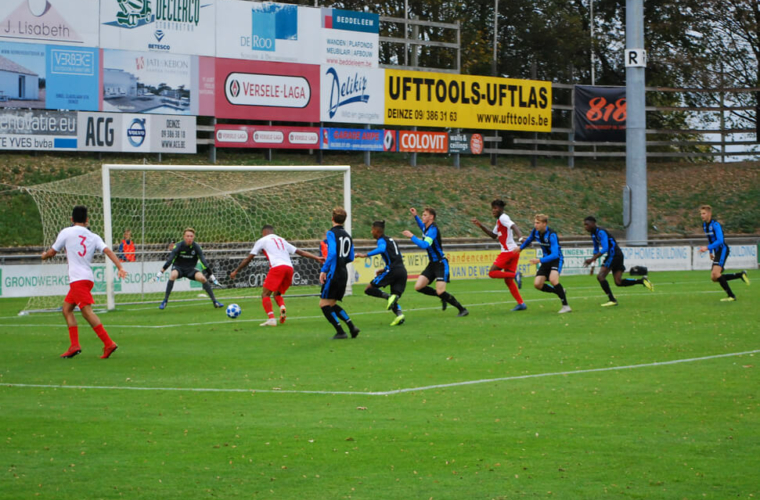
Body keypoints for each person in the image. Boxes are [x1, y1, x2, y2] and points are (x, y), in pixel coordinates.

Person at [41, 205, 127, 359]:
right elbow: (108, 251)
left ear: (71, 219)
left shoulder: (66, 232)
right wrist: (120, 267)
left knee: (87, 312)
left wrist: (44, 256)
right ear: (87, 220)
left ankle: (109, 343)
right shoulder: (94, 236)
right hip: (87, 278)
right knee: (66, 309)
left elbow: (52, 252)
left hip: (77, 280)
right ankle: (74, 345)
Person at [229, 225, 324, 326]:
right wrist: (316, 258)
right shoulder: (281, 240)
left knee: (265, 294)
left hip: (278, 268)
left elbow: (249, 259)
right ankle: (282, 306)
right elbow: (301, 252)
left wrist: (236, 271)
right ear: (272, 231)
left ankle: (271, 319)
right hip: (289, 268)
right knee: (277, 294)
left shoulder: (262, 240)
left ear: (263, 233)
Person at [401, 207, 468, 317]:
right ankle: (441, 296)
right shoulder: (426, 227)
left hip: (441, 264)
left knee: (441, 291)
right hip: (432, 264)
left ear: (431, 217)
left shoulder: (433, 230)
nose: (423, 217)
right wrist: (415, 216)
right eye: (423, 215)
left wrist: (411, 236)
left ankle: (462, 309)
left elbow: (424, 245)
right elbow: (421, 225)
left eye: (425, 215)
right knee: (418, 287)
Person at [582, 216, 654, 306]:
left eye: (587, 224)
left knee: (600, 277)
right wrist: (593, 263)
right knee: (618, 282)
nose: (585, 227)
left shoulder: (600, 232)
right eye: (584, 225)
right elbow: (596, 249)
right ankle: (642, 281)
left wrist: (592, 259)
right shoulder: (593, 234)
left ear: (593, 223)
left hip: (614, 255)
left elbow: (605, 248)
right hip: (617, 255)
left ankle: (612, 300)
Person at [472, 199, 526, 311]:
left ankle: (515, 275)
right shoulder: (499, 221)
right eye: (492, 208)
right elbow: (493, 235)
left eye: (495, 208)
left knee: (492, 273)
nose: (493, 210)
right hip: (513, 252)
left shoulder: (503, 218)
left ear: (501, 209)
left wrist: (520, 238)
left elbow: (514, 226)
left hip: (508, 252)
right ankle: (521, 304)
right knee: (508, 280)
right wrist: (480, 225)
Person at [154, 228, 224, 310]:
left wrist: (212, 277)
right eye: (187, 236)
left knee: (203, 278)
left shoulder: (197, 247)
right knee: (173, 275)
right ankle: (165, 301)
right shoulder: (178, 246)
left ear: (194, 237)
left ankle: (215, 301)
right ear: (184, 237)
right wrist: (160, 273)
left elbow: (204, 262)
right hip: (178, 268)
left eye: (191, 236)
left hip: (190, 269)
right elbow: (170, 260)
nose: (189, 238)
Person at [356, 220, 408, 326]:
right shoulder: (391, 240)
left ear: (376, 230)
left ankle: (388, 297)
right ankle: (399, 315)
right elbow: (396, 258)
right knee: (394, 296)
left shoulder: (381, 240)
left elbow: (381, 249)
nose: (371, 232)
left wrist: (365, 255)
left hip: (392, 270)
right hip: (402, 270)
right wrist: (384, 269)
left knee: (369, 289)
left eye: (372, 230)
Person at [320, 207, 361, 339]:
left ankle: (340, 332)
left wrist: (324, 270)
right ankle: (352, 327)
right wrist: (342, 261)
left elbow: (332, 253)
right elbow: (351, 256)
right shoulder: (348, 236)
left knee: (324, 304)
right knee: (332, 304)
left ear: (332, 218)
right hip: (343, 273)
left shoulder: (331, 233)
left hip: (333, 273)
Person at [517, 214, 571, 313]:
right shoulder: (535, 231)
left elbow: (555, 254)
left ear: (544, 224)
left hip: (556, 259)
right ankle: (559, 291)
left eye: (538, 223)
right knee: (537, 284)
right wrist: (520, 248)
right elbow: (529, 240)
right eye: (535, 223)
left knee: (553, 280)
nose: (535, 225)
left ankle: (566, 306)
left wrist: (539, 260)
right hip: (546, 260)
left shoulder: (552, 235)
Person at [698, 205, 750, 301]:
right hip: (717, 251)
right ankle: (740, 275)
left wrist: (707, 248)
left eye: (704, 213)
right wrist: (710, 251)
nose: (702, 215)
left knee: (716, 273)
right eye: (701, 214)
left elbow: (720, 240)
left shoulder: (715, 225)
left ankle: (731, 296)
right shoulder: (705, 225)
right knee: (714, 277)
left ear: (709, 214)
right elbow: (710, 239)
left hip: (722, 250)